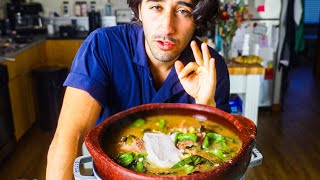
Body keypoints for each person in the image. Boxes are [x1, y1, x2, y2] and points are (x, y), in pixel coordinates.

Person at [46, 0, 230, 179]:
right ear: (140, 10)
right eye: (156, 7)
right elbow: (70, 137)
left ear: (197, 18)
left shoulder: (210, 67)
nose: (167, 28)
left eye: (183, 11)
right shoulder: (103, 46)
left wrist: (206, 105)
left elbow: (221, 158)